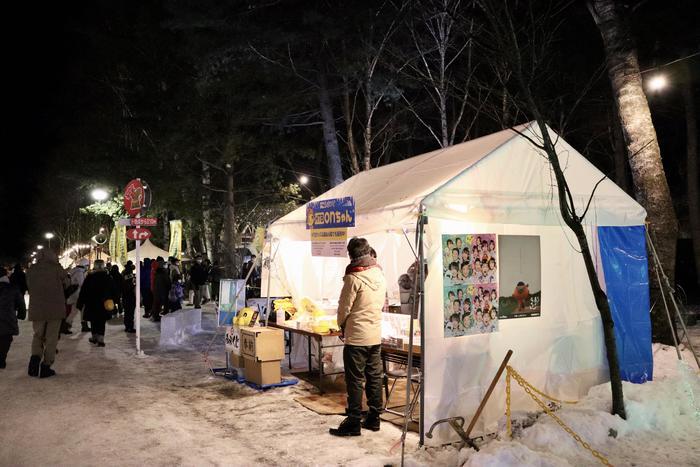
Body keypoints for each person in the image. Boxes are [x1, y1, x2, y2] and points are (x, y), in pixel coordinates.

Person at [330, 237, 387, 437]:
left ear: (352, 255)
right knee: (374, 378)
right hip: (374, 335)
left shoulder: (353, 278)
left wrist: (340, 324)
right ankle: (374, 417)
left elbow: (344, 307)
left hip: (356, 337)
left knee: (354, 380)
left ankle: (354, 420)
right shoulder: (379, 273)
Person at [26, 249, 67, 378]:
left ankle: (35, 358)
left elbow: (29, 285)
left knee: (37, 335)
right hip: (55, 308)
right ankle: (46, 366)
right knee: (51, 338)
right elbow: (67, 282)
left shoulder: (31, 270)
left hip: (37, 308)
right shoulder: (57, 268)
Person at [77, 260, 116, 347]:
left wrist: (80, 302)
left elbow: (83, 291)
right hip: (104, 303)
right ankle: (101, 338)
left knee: (93, 320)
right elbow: (114, 290)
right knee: (101, 321)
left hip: (91, 303)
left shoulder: (90, 277)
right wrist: (115, 300)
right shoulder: (107, 277)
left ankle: (94, 336)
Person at [0, 267, 26, 369]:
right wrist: (21, 315)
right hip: (8, 318)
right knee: (6, 338)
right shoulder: (12, 288)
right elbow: (21, 303)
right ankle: (1, 359)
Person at [64, 258, 89, 334]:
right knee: (82, 309)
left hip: (75, 294)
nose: (88, 267)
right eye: (87, 265)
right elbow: (82, 284)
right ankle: (83, 325)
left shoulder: (75, 270)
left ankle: (66, 325)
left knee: (74, 311)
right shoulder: (79, 272)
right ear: (84, 265)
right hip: (78, 294)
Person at [121, 261, 136, 333]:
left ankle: (127, 326)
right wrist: (133, 287)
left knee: (127, 311)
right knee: (130, 311)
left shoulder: (123, 271)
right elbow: (129, 283)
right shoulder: (128, 272)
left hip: (125, 294)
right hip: (129, 294)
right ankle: (130, 326)